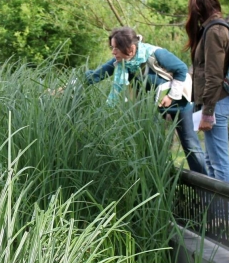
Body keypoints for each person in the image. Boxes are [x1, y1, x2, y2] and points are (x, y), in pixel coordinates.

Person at [85, 27, 207, 175]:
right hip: (153, 110)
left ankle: (205, 188)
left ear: (130, 48)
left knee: (190, 145)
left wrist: (171, 96)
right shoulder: (121, 62)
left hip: (178, 104)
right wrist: (70, 84)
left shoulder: (155, 54)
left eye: (117, 48)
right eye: (112, 47)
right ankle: (163, 182)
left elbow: (181, 69)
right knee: (154, 146)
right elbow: (96, 76)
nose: (113, 52)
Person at [185, 0, 229, 183]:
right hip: (216, 102)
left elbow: (214, 75)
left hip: (217, 102)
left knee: (219, 163)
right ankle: (218, 211)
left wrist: (207, 112)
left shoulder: (215, 31)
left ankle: (228, 213)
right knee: (212, 160)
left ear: (198, 5)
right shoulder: (209, 28)